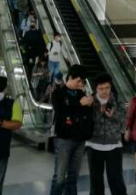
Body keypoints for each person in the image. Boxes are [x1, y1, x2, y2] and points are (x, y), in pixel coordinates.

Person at [50, 66, 94, 195]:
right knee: (59, 176)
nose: (80, 84)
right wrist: (80, 105)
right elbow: (62, 112)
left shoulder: (81, 93)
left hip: (80, 138)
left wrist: (89, 105)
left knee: (73, 176)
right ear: (70, 77)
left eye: (82, 82)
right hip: (64, 138)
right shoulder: (58, 93)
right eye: (78, 81)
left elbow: (85, 114)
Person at [86, 74, 127, 195]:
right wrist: (95, 111)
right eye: (101, 88)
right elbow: (85, 121)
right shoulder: (90, 101)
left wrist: (113, 114)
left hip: (114, 146)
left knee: (116, 180)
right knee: (96, 181)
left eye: (107, 88)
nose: (104, 91)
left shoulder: (117, 99)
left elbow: (124, 119)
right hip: (94, 146)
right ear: (96, 89)